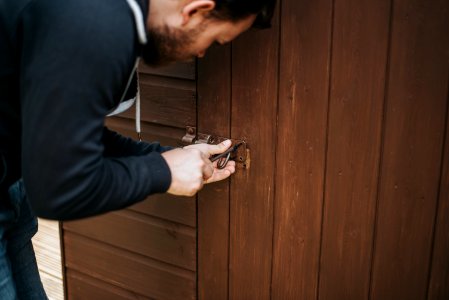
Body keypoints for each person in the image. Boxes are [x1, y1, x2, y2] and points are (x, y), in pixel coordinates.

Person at [0, 0, 276, 298]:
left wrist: (165, 158)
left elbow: (66, 136)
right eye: (214, 39)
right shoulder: (95, 24)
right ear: (195, 10)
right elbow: (57, 189)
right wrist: (165, 172)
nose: (201, 52)